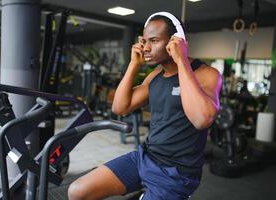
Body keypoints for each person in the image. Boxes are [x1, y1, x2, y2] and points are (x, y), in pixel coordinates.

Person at [68, 12, 222, 200]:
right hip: (144, 158)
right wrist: (134, 64)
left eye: (154, 41)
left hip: (176, 173)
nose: (146, 48)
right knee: (77, 192)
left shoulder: (207, 74)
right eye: (144, 41)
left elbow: (202, 119)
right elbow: (119, 108)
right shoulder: (155, 76)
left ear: (176, 41)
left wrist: (181, 60)